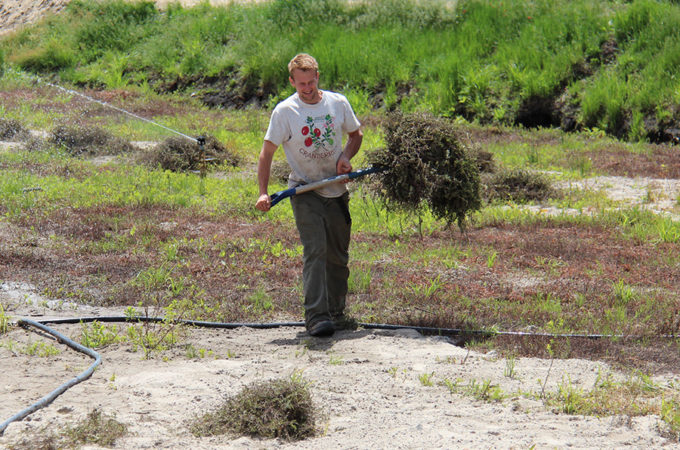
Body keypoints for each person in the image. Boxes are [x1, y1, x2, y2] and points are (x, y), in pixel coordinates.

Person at [255, 53, 363, 337]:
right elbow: (266, 154)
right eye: (300, 83)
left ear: (318, 77)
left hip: (336, 188)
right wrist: (263, 193)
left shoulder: (337, 103)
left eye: (311, 82)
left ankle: (337, 312)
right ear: (292, 81)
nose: (307, 88)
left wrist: (345, 156)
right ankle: (316, 317)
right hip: (304, 191)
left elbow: (356, 135)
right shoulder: (285, 112)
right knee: (315, 251)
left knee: (337, 256)